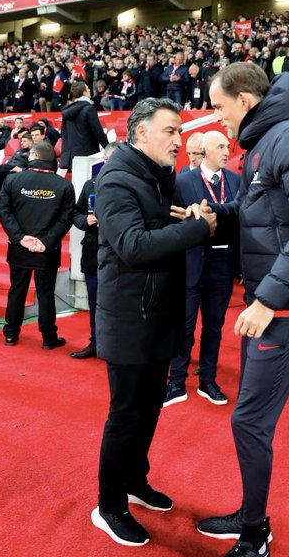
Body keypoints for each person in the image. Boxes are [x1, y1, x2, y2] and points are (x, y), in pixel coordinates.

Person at [196, 63, 289, 557]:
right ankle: (250, 516)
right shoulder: (266, 143)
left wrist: (267, 300)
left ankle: (255, 535)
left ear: (245, 102)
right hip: (274, 300)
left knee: (249, 421)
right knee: (248, 420)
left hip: (287, 307)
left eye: (218, 106)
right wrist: (216, 214)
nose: (217, 118)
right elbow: (264, 216)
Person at [91, 98, 216, 548]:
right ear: (141, 132)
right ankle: (108, 505)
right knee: (126, 414)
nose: (179, 141)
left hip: (158, 313)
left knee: (149, 409)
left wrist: (185, 217)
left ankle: (133, 480)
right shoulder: (117, 180)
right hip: (129, 318)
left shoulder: (158, 179)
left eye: (180, 132)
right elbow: (134, 246)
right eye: (170, 131)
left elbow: (157, 229)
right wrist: (198, 228)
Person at [164, 130, 241, 407]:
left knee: (214, 327)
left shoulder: (236, 180)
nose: (226, 152)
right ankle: (176, 382)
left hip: (222, 264)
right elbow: (172, 221)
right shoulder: (182, 182)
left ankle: (208, 379)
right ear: (204, 151)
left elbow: (240, 216)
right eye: (220, 146)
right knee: (183, 325)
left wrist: (214, 212)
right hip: (189, 263)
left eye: (226, 146)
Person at [0, 141, 75, 349]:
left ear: (32, 156)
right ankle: (48, 338)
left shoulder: (13, 180)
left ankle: (11, 334)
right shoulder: (64, 185)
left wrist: (20, 238)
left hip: (20, 246)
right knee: (45, 293)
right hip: (46, 250)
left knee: (17, 290)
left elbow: (3, 211)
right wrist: (46, 241)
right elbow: (66, 219)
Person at [69, 141, 118, 359]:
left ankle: (117, 347)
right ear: (105, 161)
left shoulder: (129, 186)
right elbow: (76, 213)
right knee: (94, 302)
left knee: (119, 305)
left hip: (119, 256)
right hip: (92, 253)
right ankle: (96, 343)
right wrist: (85, 220)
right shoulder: (91, 184)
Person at [61, 81, 108, 174]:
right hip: (87, 156)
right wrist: (108, 149)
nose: (90, 90)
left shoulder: (66, 111)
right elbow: (98, 132)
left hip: (68, 158)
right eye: (87, 88)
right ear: (84, 93)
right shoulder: (89, 109)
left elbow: (63, 134)